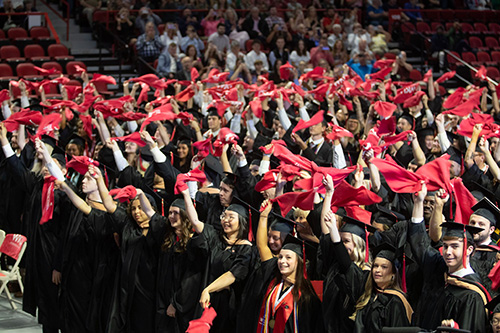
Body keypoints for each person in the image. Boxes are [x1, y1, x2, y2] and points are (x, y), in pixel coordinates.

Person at [0, 129, 69, 333]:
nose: (47, 168)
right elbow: (17, 170)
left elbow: (66, 234)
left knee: (56, 305)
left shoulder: (66, 195)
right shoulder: (38, 185)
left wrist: (58, 265)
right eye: (46, 165)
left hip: (55, 256)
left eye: (52, 166)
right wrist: (4, 140)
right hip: (38, 254)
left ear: (63, 170)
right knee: (45, 305)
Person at [409, 183, 490, 332]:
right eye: (445, 246)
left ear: (469, 250)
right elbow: (419, 243)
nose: (448, 252)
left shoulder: (472, 295)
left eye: (455, 246)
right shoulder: (438, 269)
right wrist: (419, 202)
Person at [236, 200, 323, 333]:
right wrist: (264, 216)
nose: (282, 261)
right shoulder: (273, 275)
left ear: (299, 262)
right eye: (281, 257)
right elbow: (262, 246)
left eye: (288, 258)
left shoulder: (307, 296)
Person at [181, 187, 255, 333]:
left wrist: (208, 289)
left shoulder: (246, 249)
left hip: (228, 306)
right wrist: (185, 194)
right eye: (224, 216)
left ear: (242, 222)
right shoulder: (216, 240)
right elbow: (195, 222)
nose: (226, 220)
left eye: (231, 217)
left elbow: (233, 274)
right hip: (207, 301)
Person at [320, 175, 373, 333]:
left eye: (346, 241)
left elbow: (346, 264)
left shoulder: (365, 273)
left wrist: (335, 232)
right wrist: (329, 193)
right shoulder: (334, 264)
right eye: (341, 241)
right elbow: (325, 231)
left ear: (358, 245)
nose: (341, 245)